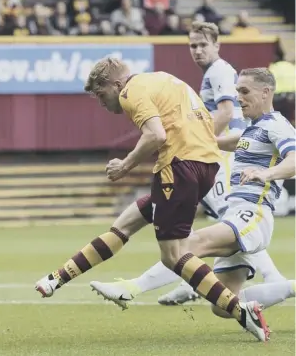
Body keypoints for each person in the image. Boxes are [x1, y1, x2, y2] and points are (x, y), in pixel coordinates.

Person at [36, 57, 269, 341]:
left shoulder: (131, 91)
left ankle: (241, 311)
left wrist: (126, 164)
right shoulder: (163, 79)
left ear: (117, 84)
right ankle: (57, 278)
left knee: (174, 256)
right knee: (126, 223)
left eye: (101, 94)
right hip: (206, 165)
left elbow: (156, 135)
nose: (102, 102)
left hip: (180, 165)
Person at [90, 68, 295, 341]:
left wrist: (266, 173)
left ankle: (132, 287)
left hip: (252, 214)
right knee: (221, 304)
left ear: (266, 93)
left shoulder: (277, 125)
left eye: (245, 92)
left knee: (184, 249)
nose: (239, 99)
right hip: (234, 216)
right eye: (237, 92)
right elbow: (227, 141)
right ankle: (277, 294)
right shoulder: (253, 128)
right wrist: (197, 136)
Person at [155, 21, 287, 305]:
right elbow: (227, 132)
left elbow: (226, 114)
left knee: (192, 241)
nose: (197, 50)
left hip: (239, 189)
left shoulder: (221, 74)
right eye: (193, 45)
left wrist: (267, 172)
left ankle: (145, 286)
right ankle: (271, 283)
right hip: (233, 184)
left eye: (203, 45)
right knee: (224, 301)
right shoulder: (248, 122)